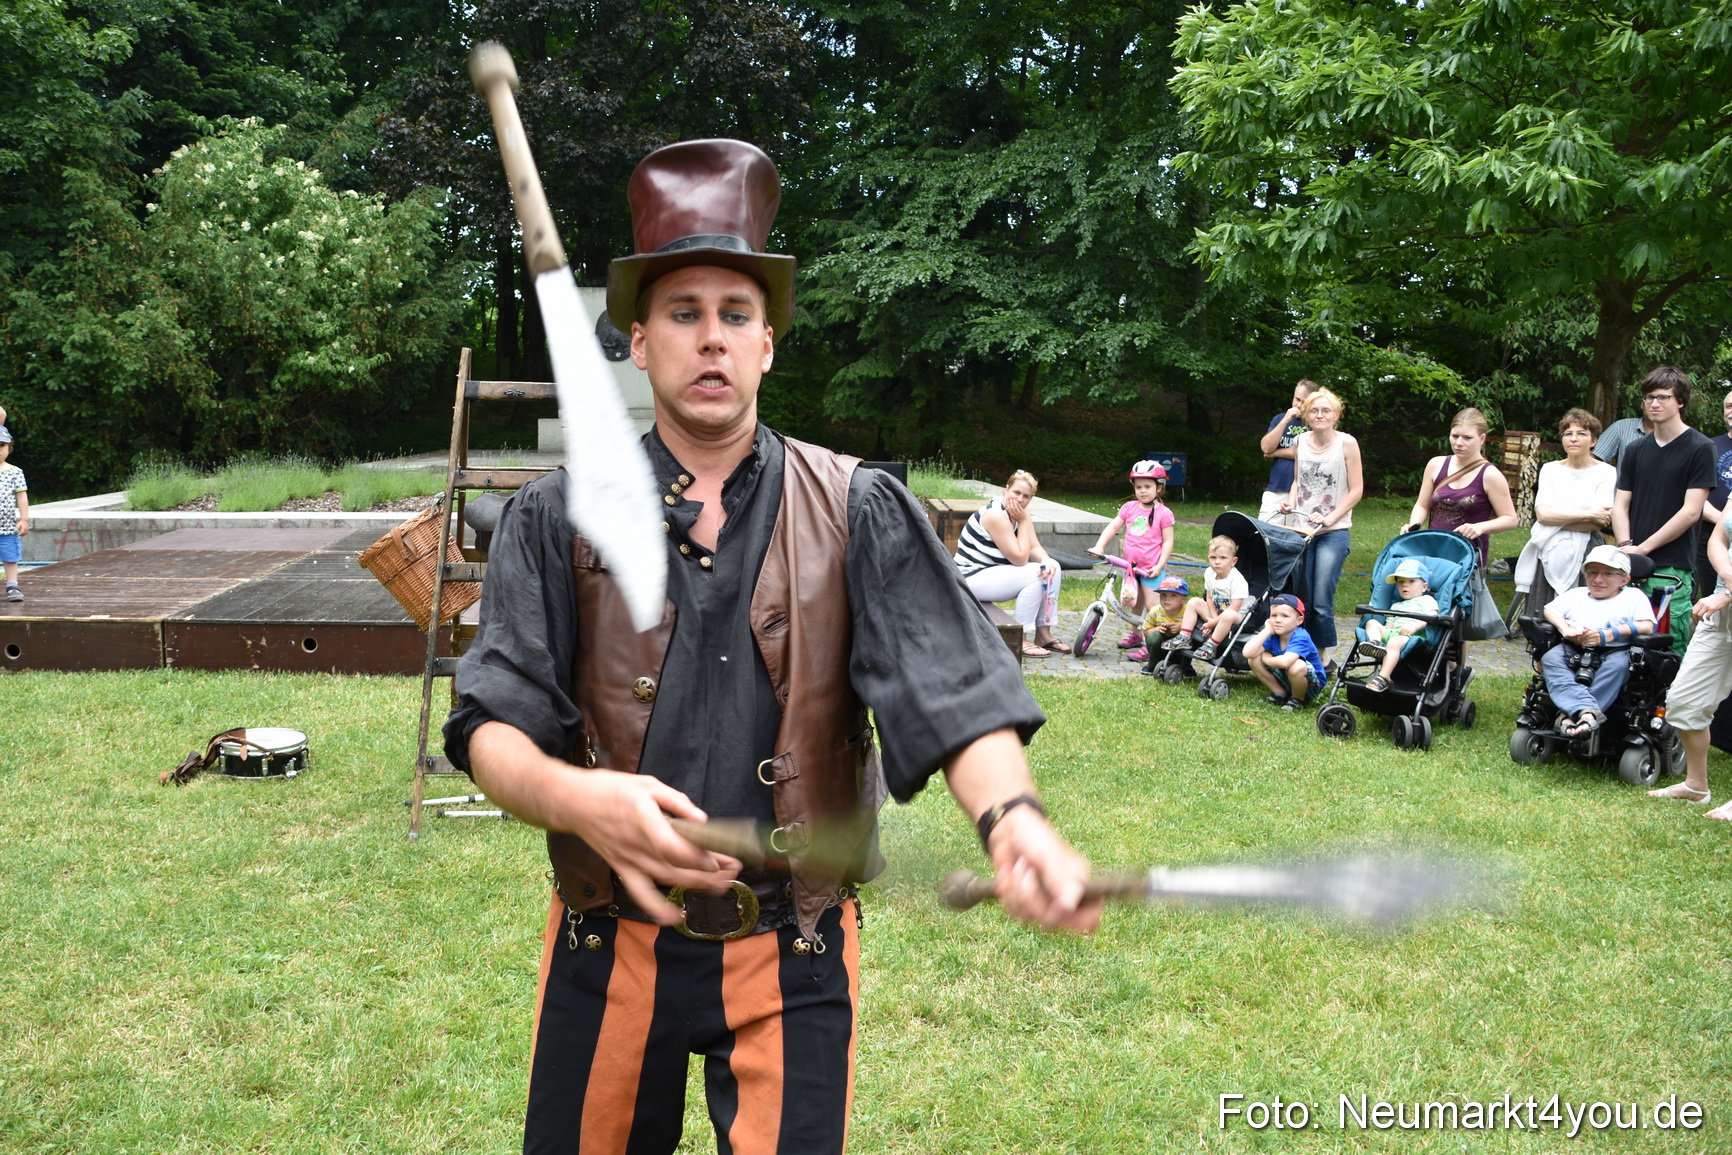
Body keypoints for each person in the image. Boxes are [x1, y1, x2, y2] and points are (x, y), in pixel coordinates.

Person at [441, 139, 1099, 1155]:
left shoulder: (860, 506)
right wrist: (580, 800)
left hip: (792, 951)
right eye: (683, 313)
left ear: (767, 345)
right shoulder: (552, 516)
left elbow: (956, 686)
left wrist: (1011, 818)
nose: (711, 339)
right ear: (640, 342)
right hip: (605, 940)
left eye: (735, 315)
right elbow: (491, 722)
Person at [1612, 366, 1717, 654]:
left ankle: (1668, 701)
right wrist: (1626, 547)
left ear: (1680, 401)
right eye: (1648, 397)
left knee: (1664, 645)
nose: (1654, 404)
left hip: (1671, 566)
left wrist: (1643, 549)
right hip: (1628, 561)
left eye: (1662, 397)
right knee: (1622, 641)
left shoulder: (1700, 448)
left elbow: (1691, 512)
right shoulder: (1635, 449)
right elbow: (1620, 504)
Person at [1649, 510, 1732, 813]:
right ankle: (1696, 785)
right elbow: (1719, 537)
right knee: (1685, 699)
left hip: (1723, 600)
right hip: (1721, 610)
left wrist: (1728, 592)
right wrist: (1727, 577)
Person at [1277, 388, 1363, 667]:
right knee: (1302, 597)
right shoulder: (1300, 442)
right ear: (1306, 415)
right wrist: (1291, 502)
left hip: (1332, 533)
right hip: (1302, 530)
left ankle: (1324, 659)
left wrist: (1331, 517)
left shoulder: (1347, 443)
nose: (1320, 415)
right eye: (1314, 410)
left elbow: (1357, 490)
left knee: (1321, 600)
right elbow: (1297, 482)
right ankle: (1304, 651)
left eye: (1326, 410)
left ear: (1336, 415)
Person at [1539, 546, 1657, 738]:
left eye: (1608, 573)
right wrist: (1566, 630)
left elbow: (1647, 625)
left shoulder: (1633, 597)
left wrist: (1609, 634)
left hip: (1615, 649)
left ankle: (1572, 712)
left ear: (1624, 579)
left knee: (1618, 665)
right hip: (1574, 646)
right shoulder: (1575, 594)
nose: (1598, 579)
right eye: (1592, 572)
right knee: (1551, 658)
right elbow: (1550, 611)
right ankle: (1585, 712)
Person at [953, 469, 1069, 657]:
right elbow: (1020, 558)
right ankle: (1020, 639)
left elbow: (1033, 547)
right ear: (1006, 489)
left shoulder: (1020, 513)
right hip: (970, 578)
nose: (1020, 499)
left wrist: (1046, 559)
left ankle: (1044, 634)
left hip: (992, 572)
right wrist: (1023, 521)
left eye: (1026, 496)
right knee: (1034, 573)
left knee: (1052, 567)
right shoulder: (995, 515)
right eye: (1016, 492)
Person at [1514, 409, 1618, 606]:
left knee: (1581, 607)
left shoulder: (1606, 472)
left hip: (1587, 546)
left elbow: (1597, 523)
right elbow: (1543, 515)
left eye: (1581, 434)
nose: (1574, 439)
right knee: (1542, 609)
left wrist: (1559, 518)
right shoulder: (1550, 469)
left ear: (1593, 440)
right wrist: (1588, 513)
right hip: (1549, 544)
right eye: (1568, 434)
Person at [1401, 407, 1519, 572]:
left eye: (1467, 438)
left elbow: (1510, 519)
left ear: (1482, 439)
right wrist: (1413, 525)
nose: (1458, 443)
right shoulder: (1436, 464)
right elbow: (1422, 505)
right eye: (1455, 436)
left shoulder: (1490, 475)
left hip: (1468, 560)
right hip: (1432, 553)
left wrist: (1480, 527)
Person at [1087, 460, 1175, 654]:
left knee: (1153, 606)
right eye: (1138, 487)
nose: (1142, 491)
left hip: (1152, 568)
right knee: (1135, 602)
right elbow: (1113, 526)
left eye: (1148, 487)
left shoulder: (1164, 513)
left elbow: (1168, 542)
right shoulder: (1129, 508)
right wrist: (1100, 545)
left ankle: (1151, 642)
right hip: (1131, 567)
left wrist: (1160, 566)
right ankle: (1135, 635)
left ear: (1159, 488)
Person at [1360, 558, 1439, 693]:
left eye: (1411, 581)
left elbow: (1432, 617)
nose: (1404, 585)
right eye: (1401, 582)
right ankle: (1376, 644)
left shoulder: (1426, 600)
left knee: (1394, 642)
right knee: (1371, 622)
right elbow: (1390, 624)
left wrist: (1414, 627)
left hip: (1413, 635)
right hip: (1394, 633)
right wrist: (1386, 629)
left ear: (1424, 587)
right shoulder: (1396, 605)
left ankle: (1383, 677)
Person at [1168, 534, 1247, 662]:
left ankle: (1211, 645)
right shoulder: (1209, 573)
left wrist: (1213, 623)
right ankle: (1184, 636)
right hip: (1215, 612)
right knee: (1194, 602)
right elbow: (1209, 598)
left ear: (1233, 561)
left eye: (1223, 558)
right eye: (1213, 557)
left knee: (1229, 614)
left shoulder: (1237, 580)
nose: (1217, 561)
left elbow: (1235, 607)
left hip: (1235, 617)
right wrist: (1214, 618)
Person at [1243, 593, 1327, 711]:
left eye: (1285, 616)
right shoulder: (1273, 634)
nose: (1278, 620)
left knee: (1297, 665)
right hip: (1288, 676)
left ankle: (1298, 699)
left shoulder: (1301, 636)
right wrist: (1266, 631)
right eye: (1274, 615)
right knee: (1253, 658)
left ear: (1299, 620)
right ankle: (1279, 694)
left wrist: (1267, 659)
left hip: (1311, 684)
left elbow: (1285, 662)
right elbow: (1247, 653)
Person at [1691, 387, 1732, 607]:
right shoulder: (1708, 447)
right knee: (1710, 599)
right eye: (1728, 406)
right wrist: (1724, 523)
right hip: (1710, 537)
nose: (1731, 411)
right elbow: (1694, 494)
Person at [1257, 378, 1317, 522]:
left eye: (1304, 402)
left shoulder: (1317, 424)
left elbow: (1308, 452)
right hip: (1276, 487)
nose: (1299, 405)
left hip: (1305, 492)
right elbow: (1266, 447)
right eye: (1297, 399)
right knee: (1264, 533)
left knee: (1295, 537)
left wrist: (1275, 453)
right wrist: (1285, 420)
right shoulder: (1279, 419)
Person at [1139, 574, 1192, 662]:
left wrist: (1181, 627)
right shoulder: (1155, 611)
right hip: (1161, 644)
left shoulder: (1188, 611)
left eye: (1173, 595)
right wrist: (1158, 629)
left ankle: (1185, 667)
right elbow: (1145, 632)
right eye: (1163, 594)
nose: (1167, 599)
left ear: (1184, 599)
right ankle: (1153, 664)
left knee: (1190, 638)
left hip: (1181, 646)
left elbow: (1197, 629)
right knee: (1153, 637)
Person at [0, 426, 25, 602]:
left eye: (1, 445)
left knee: (10, 556)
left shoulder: (15, 472)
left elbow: (22, 496)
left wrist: (24, 518)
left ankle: (12, 585)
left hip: (7, 525)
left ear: (9, 447)